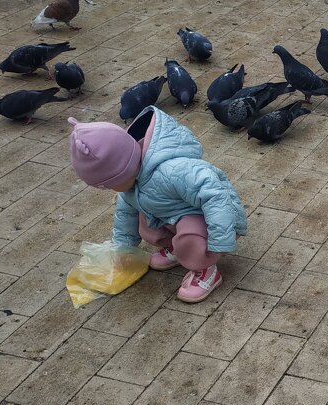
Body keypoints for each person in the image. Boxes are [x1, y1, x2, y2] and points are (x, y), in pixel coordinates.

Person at [66, 106, 246, 303]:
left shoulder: (172, 170)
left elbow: (216, 197)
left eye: (108, 184)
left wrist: (220, 239)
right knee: (144, 224)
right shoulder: (131, 183)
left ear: (122, 170)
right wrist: (122, 249)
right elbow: (125, 217)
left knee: (190, 232)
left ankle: (205, 269)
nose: (109, 189)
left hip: (214, 218)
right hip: (173, 216)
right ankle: (178, 250)